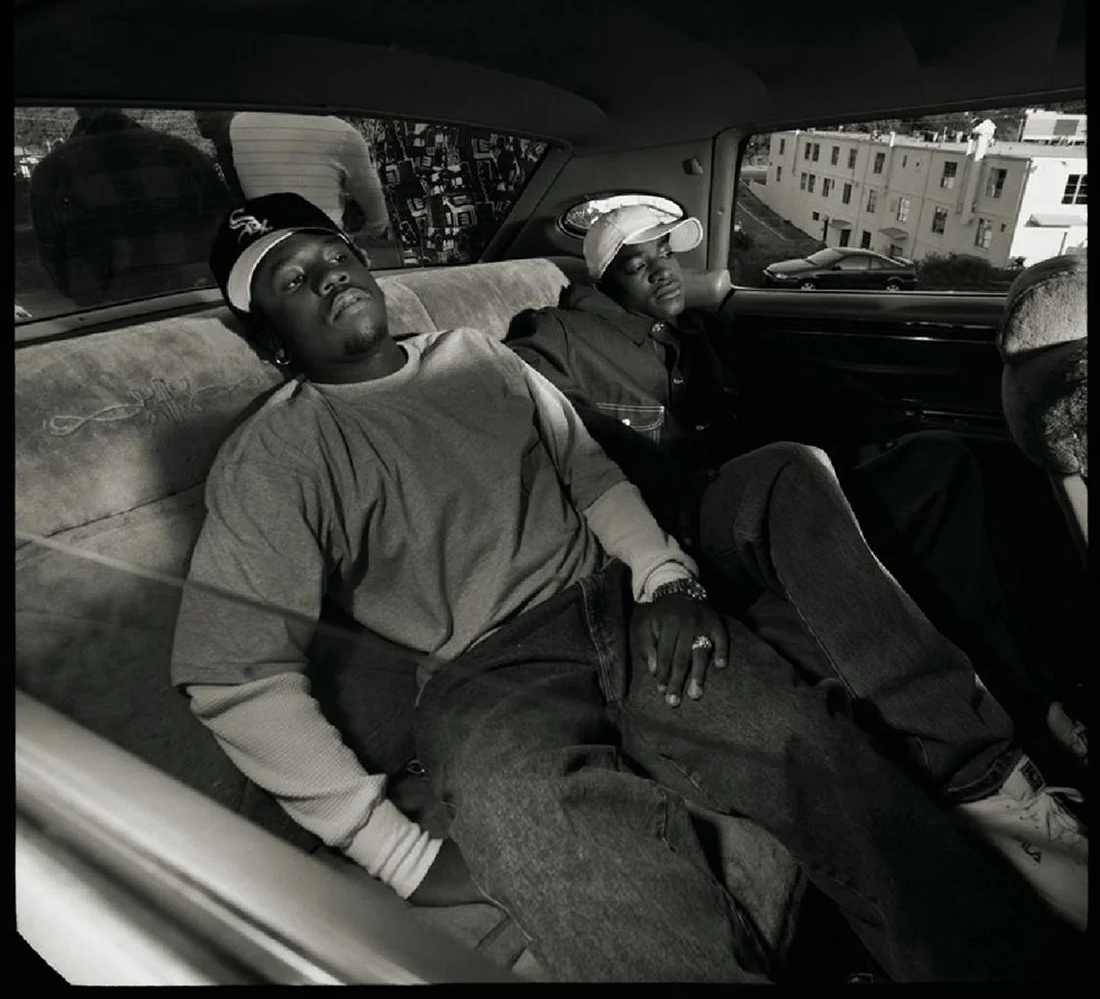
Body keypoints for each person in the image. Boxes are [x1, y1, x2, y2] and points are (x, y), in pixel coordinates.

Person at [172, 193, 1084, 982]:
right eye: (292, 281)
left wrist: (667, 582)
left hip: (619, 602)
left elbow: (591, 477)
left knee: (806, 742)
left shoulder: (474, 358)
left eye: (335, 254)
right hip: (487, 669)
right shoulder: (281, 454)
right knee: (522, 802)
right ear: (268, 343)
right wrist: (392, 851)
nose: (329, 276)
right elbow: (232, 674)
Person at [504, 204, 1087, 769]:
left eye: (667, 253)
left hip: (771, 500)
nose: (663, 270)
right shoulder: (565, 337)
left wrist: (887, 428)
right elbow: (516, 385)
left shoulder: (700, 333)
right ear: (606, 284)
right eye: (638, 265)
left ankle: (1027, 694)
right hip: (689, 526)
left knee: (939, 461)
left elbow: (800, 385)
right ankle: (997, 729)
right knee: (794, 465)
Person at [29, 108, 231, 306]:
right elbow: (226, 233)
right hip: (194, 303)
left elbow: (55, 259)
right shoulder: (184, 154)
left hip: (104, 317)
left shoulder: (53, 171)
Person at [215, 110, 395, 253]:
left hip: (264, 246)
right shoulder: (341, 134)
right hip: (323, 247)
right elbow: (377, 215)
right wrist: (365, 234)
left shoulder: (239, 124)